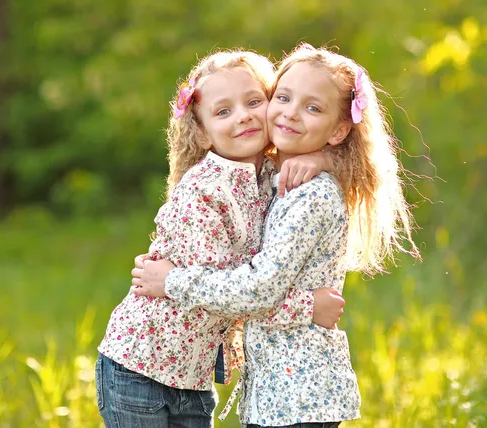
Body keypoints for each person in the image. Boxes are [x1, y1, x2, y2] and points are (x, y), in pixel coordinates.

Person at [132, 43, 420, 427]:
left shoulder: (309, 196)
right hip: (279, 393)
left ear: (338, 130)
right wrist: (324, 157)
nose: (290, 112)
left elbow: (256, 289)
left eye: (312, 107)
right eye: (282, 97)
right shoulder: (274, 177)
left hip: (298, 394)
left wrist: (170, 280)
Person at [95, 49, 344, 428]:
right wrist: (309, 308)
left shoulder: (270, 175)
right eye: (223, 111)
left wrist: (324, 160)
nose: (242, 115)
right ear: (203, 132)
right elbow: (228, 295)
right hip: (140, 367)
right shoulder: (204, 191)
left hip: (192, 377)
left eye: (253, 101)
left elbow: (350, 159)